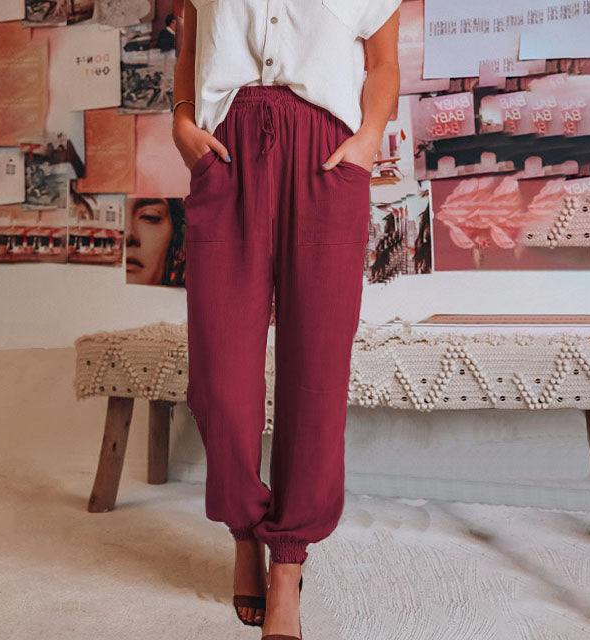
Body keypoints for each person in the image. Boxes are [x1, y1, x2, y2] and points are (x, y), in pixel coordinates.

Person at [172, 2, 401, 638]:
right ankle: (244, 529)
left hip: (325, 158)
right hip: (226, 154)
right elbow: (190, 50)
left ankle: (288, 563)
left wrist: (367, 140)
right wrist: (183, 122)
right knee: (220, 378)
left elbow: (384, 63)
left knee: (316, 372)